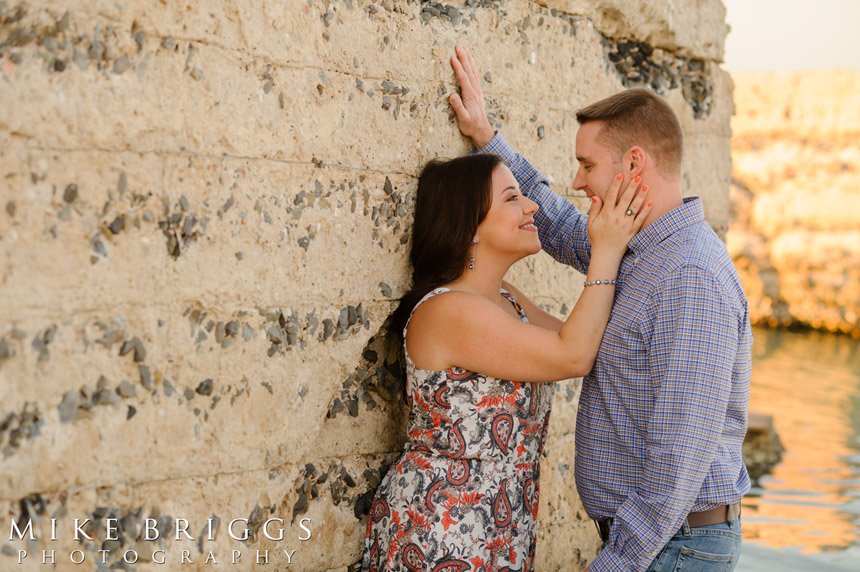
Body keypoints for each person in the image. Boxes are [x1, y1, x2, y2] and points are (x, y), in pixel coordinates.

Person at [447, 46, 752, 572]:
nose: (578, 180)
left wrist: (614, 564)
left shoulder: (691, 278)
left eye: (587, 165)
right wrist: (487, 139)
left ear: (634, 164)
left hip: (671, 547)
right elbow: (561, 224)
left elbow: (677, 464)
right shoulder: (639, 249)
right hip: (659, 544)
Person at [361, 148, 652, 567]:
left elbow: (596, 342)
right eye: (512, 197)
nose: (531, 205)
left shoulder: (507, 301)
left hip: (501, 525)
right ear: (470, 225)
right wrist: (605, 250)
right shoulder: (449, 311)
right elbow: (571, 356)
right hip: (443, 525)